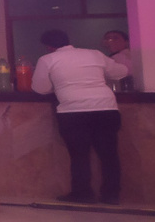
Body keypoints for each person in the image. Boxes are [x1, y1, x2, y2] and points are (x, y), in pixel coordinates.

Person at [32, 29, 126, 204]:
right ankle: (111, 195)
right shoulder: (95, 54)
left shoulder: (47, 59)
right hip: (105, 107)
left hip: (73, 110)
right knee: (109, 154)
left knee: (79, 155)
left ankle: (82, 193)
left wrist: (58, 85)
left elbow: (40, 88)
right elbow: (120, 72)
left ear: (49, 46)